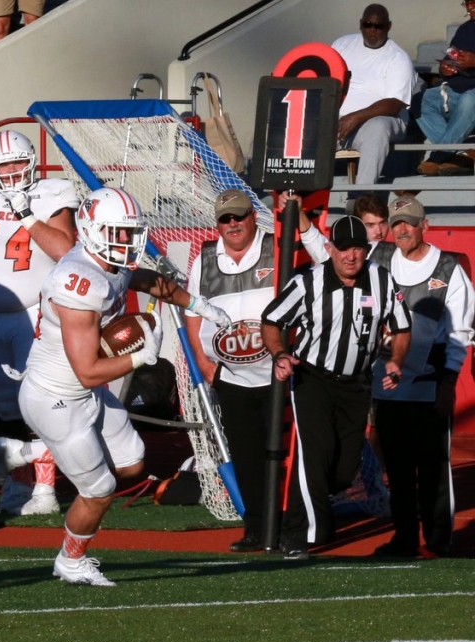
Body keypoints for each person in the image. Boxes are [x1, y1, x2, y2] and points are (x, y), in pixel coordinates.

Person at [20, 187, 229, 586]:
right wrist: (140, 357)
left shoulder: (109, 261)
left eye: (130, 232)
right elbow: (87, 371)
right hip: (55, 397)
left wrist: (198, 305)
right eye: (117, 232)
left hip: (86, 391)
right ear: (91, 229)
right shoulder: (77, 282)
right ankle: (70, 559)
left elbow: (147, 280)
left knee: (132, 462)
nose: (127, 241)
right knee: (99, 490)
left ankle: (35, 451)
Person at [185, 188, 328, 553]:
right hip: (232, 379)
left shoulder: (277, 247)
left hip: (280, 376)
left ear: (253, 216)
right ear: (218, 223)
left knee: (287, 457)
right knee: (247, 457)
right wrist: (203, 363)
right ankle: (257, 528)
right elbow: (192, 312)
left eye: (239, 216)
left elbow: (326, 261)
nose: (233, 224)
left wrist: (301, 216)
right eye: (225, 219)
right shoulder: (204, 258)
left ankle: (291, 527)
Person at [261, 215, 412, 560]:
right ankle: (300, 536)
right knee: (315, 456)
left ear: (366, 250)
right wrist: (280, 353)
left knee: (344, 470)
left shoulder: (382, 280)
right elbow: (271, 320)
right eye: (343, 248)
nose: (350, 256)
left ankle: (310, 517)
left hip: (357, 383)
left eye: (357, 248)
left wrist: (396, 361)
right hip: (313, 379)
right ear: (330, 249)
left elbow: (402, 327)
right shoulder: (308, 282)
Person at [0, 129, 78, 516]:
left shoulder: (51, 194)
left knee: (38, 402)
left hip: (35, 313)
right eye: (2, 165)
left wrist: (26, 214)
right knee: (4, 405)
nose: (10, 171)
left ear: (32, 164)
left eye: (17, 163)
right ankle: (20, 485)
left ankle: (45, 488)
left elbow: (66, 249)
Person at [369, 197, 474, 558]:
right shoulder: (377, 258)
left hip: (430, 386)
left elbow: (460, 332)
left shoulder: (448, 268)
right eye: (396, 223)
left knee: (433, 469)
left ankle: (438, 538)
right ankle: (404, 537)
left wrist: (449, 382)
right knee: (397, 471)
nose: (402, 230)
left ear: (424, 226)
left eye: (409, 223)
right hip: (386, 386)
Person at [330, 4, 418, 188]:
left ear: (388, 26)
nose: (372, 30)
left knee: (377, 127)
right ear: (361, 24)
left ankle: (361, 194)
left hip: (382, 121)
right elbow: (326, 79)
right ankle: (298, 193)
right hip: (339, 122)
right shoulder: (342, 45)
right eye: (368, 25)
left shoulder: (398, 57)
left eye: (378, 26)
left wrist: (355, 117)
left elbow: (394, 104)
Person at [416, 0, 475, 176]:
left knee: (469, 99)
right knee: (420, 100)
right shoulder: (464, 30)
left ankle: (439, 156)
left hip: (471, 97)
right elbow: (451, 58)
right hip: (456, 91)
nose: (470, 7)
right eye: (467, 3)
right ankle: (462, 154)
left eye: (474, 2)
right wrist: (445, 69)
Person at [353, 192, 395, 262]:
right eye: (371, 225)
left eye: (382, 223)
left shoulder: (398, 250)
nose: (379, 232)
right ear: (358, 226)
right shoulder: (349, 256)